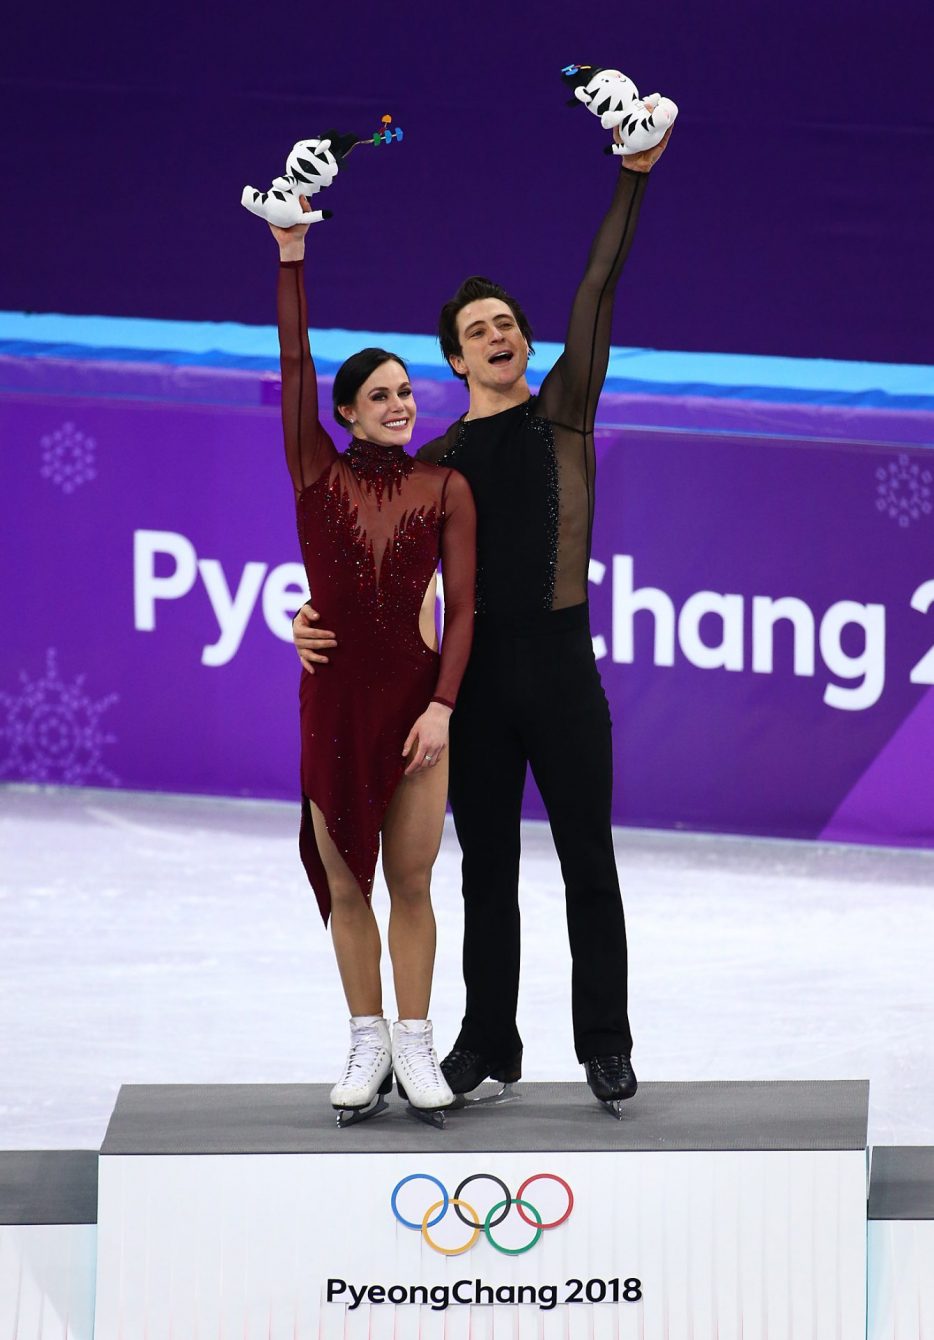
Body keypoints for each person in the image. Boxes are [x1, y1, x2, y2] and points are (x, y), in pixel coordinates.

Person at [292, 120, 671, 1114]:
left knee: (588, 858)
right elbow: (365, 557)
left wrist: (631, 177)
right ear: (455, 359)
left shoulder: (564, 413)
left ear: (526, 344)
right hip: (474, 683)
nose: (500, 333)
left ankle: (606, 1041)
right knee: (481, 876)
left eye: (509, 322)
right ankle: (487, 1039)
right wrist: (308, 614)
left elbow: (599, 287)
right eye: (479, 330)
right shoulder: (439, 462)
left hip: (560, 665)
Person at [270, 200, 476, 1124]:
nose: (401, 404)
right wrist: (292, 257)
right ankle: (366, 1039)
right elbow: (294, 363)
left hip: (414, 704)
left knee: (414, 880)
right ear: (346, 412)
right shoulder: (316, 471)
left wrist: (440, 706)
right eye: (379, 395)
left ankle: (419, 1043)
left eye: (406, 391)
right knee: (346, 880)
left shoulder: (446, 485)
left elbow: (464, 606)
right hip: (334, 700)